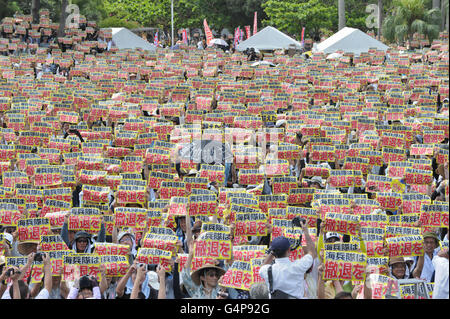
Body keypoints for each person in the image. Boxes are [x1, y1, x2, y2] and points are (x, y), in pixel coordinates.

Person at [259, 219, 315, 299]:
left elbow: (263, 265)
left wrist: (272, 252)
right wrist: (305, 232)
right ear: (289, 250)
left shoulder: (267, 270)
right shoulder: (298, 266)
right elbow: (312, 252)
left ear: (273, 252)